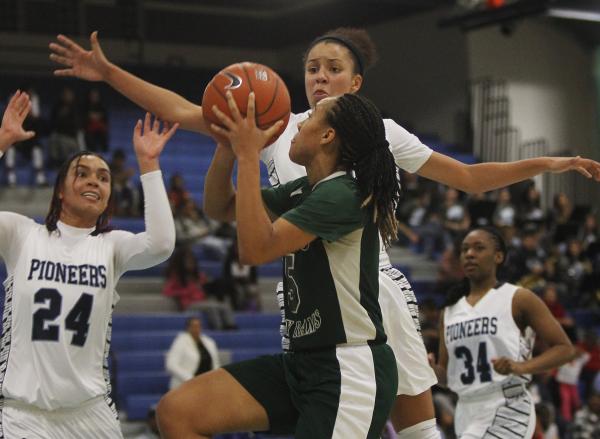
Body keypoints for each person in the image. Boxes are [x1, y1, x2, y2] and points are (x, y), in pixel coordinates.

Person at [49, 28, 600, 437]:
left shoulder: (375, 135)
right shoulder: (277, 126)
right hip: (308, 294)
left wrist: (549, 164)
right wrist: (112, 73)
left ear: (355, 84)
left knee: (415, 428)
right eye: (311, 67)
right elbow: (184, 112)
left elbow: (470, 176)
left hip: (369, 294)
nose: (318, 77)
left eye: (332, 69)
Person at [160, 92, 400, 438]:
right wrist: (228, 145)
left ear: (327, 135)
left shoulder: (343, 194)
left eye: (310, 117)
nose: (299, 124)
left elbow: (255, 250)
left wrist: (247, 154)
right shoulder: (306, 190)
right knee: (179, 412)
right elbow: (219, 206)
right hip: (302, 363)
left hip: (348, 369)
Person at [0, 90, 177, 438]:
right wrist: (2, 140)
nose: (95, 180)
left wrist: (150, 167)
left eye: (104, 176)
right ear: (61, 191)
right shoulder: (21, 234)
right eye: (82, 173)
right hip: (22, 415)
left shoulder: (111, 247)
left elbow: (161, 244)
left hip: (91, 412)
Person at [429, 227, 575, 438]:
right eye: (465, 249)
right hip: (466, 409)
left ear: (499, 256)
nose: (469, 254)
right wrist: (433, 372)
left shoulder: (518, 298)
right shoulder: (449, 311)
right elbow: (448, 376)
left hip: (507, 404)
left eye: (479, 248)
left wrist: (521, 366)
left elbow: (565, 349)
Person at [165, 316, 220, 390]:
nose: (196, 329)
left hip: (207, 384)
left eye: (198, 326)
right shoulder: (181, 342)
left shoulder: (209, 342)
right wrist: (190, 378)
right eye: (194, 326)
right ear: (188, 328)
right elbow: (171, 365)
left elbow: (215, 364)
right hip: (186, 384)